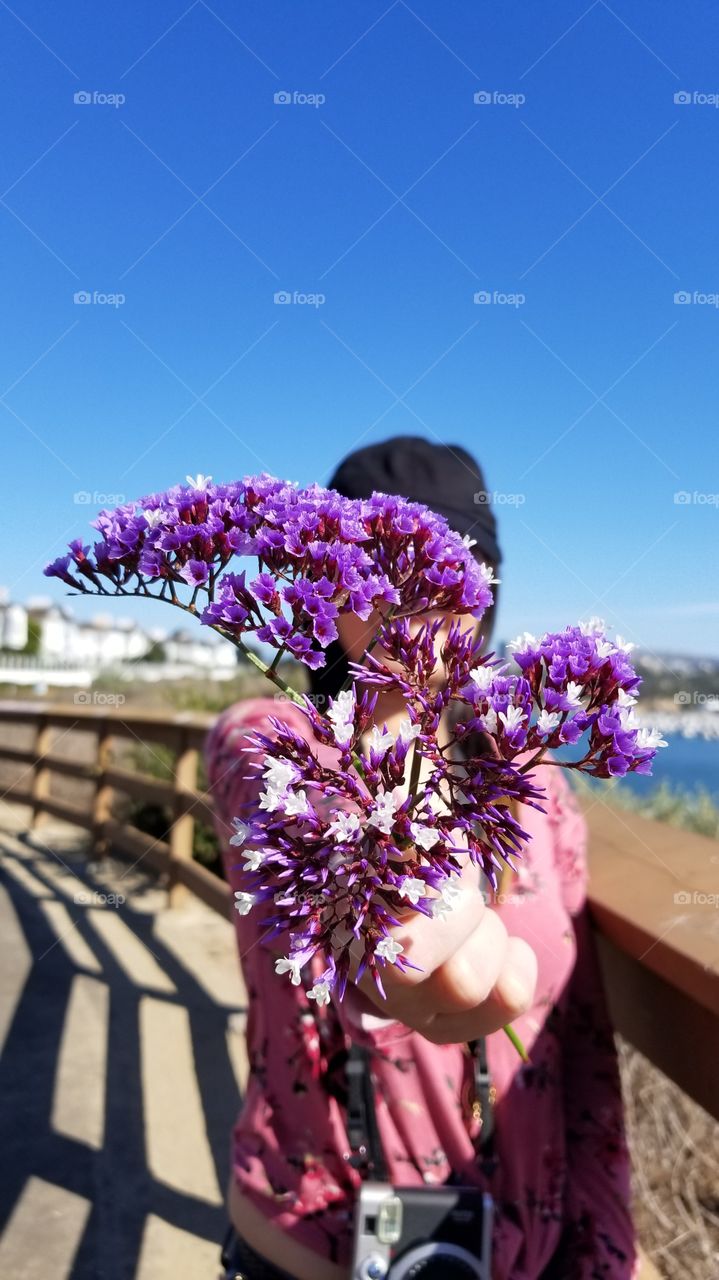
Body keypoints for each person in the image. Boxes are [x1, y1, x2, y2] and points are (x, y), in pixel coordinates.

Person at [205, 436, 639, 1280]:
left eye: (452, 567)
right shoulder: (273, 743)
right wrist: (374, 912)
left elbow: (580, 1041)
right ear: (323, 588)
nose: (419, 599)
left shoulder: (538, 786)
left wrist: (607, 1251)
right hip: (305, 1245)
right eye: (382, 563)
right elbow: (264, 783)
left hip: (531, 1253)